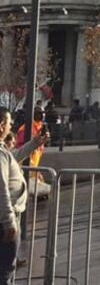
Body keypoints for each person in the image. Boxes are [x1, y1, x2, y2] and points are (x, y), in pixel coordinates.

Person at [0, 107, 49, 284]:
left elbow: (14, 156)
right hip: (5, 221)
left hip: (6, 218)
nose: (11, 125)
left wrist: (35, 142)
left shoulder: (3, 152)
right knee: (5, 270)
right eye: (9, 122)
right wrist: (9, 223)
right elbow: (1, 189)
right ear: (1, 125)